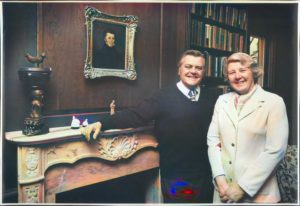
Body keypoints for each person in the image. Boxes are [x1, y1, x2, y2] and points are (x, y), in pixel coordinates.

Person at [81, 50, 218, 203]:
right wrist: (102, 122)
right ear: (179, 70)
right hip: (176, 176)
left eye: (198, 68)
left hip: (206, 175)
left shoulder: (212, 98)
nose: (193, 71)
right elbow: (135, 115)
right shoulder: (162, 97)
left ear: (204, 71)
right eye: (188, 66)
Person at [207, 52, 289, 203]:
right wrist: (220, 179)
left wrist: (242, 188)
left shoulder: (274, 102)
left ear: (254, 73)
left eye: (242, 70)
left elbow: (275, 150)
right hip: (223, 192)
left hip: (259, 195)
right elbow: (213, 141)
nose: (237, 76)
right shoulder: (222, 101)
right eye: (232, 72)